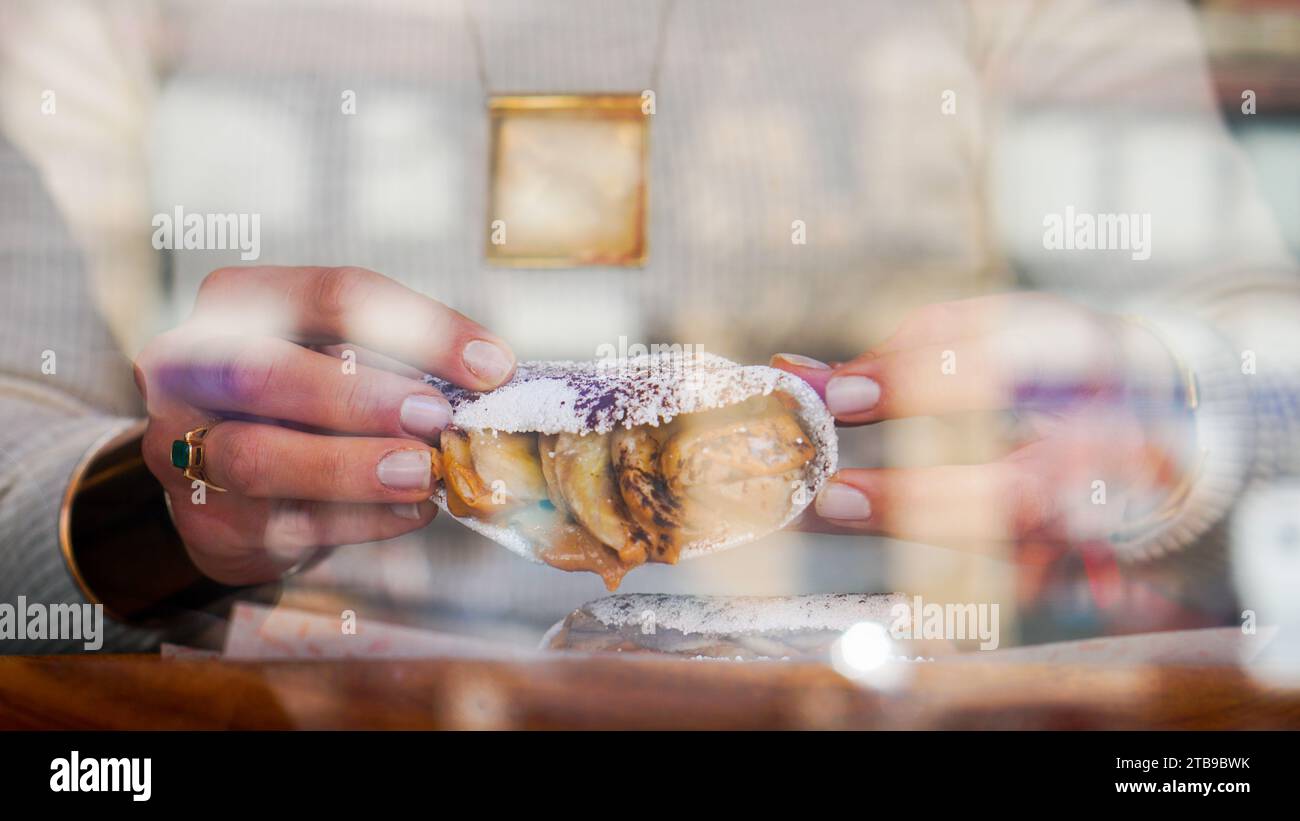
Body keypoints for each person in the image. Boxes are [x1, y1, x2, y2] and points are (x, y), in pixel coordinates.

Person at [1, 0, 1296, 653]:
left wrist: (1176, 413)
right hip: (315, 700)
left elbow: (1259, 341)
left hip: (880, 700)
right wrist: (149, 502)